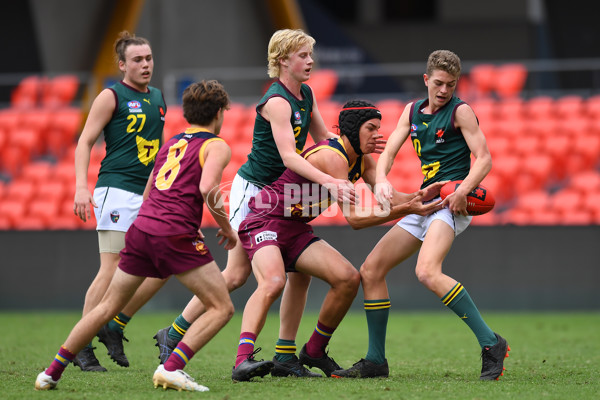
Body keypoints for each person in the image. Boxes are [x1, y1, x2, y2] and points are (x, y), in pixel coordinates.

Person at [153, 29, 364, 378]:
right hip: (254, 193)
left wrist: (353, 149)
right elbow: (289, 156)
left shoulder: (305, 94)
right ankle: (176, 333)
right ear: (282, 60)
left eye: (310, 54)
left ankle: (282, 355)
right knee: (239, 275)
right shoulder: (278, 101)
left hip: (281, 197)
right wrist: (330, 181)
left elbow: (323, 139)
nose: (310, 61)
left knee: (294, 275)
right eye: (302, 55)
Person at [35, 80, 237, 392]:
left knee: (107, 307)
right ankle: (172, 367)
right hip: (173, 232)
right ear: (220, 112)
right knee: (221, 307)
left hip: (144, 227)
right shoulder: (216, 145)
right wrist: (225, 227)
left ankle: (50, 372)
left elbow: (149, 190)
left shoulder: (172, 142)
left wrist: (165, 219)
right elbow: (208, 187)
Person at [230, 100, 445, 381]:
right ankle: (242, 360)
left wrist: (422, 197)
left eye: (378, 128)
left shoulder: (362, 159)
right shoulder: (334, 158)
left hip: (295, 227)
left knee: (347, 278)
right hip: (265, 219)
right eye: (371, 128)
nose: (377, 135)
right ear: (353, 130)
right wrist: (408, 209)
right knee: (272, 282)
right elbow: (355, 219)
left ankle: (309, 353)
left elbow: (387, 198)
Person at [330, 50, 510, 381]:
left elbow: (483, 159)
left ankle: (491, 343)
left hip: (451, 203)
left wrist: (462, 191)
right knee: (371, 271)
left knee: (427, 272)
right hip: (424, 201)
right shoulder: (411, 111)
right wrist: (381, 179)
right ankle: (375, 361)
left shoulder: (462, 112)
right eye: (439, 83)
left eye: (451, 85)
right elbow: (389, 153)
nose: (444, 90)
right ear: (426, 80)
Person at [72, 30, 169, 371]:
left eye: (149, 58)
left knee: (163, 265)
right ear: (122, 65)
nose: (145, 65)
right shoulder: (110, 96)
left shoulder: (158, 98)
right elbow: (84, 142)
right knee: (110, 269)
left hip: (146, 194)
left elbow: (155, 154)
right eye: (138, 60)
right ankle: (81, 346)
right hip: (115, 191)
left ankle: (115, 323)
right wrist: (81, 188)